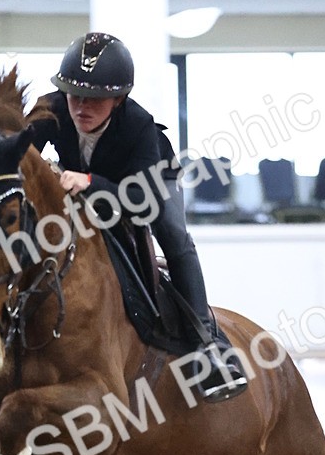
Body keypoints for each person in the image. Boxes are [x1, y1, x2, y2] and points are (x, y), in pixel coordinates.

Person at [30, 32, 248, 403]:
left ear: (118, 99)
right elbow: (17, 155)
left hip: (147, 184)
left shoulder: (139, 126)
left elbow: (136, 201)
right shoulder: (50, 108)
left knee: (174, 235)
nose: (81, 107)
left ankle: (206, 344)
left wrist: (88, 181)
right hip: (83, 183)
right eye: (74, 95)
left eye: (95, 99)